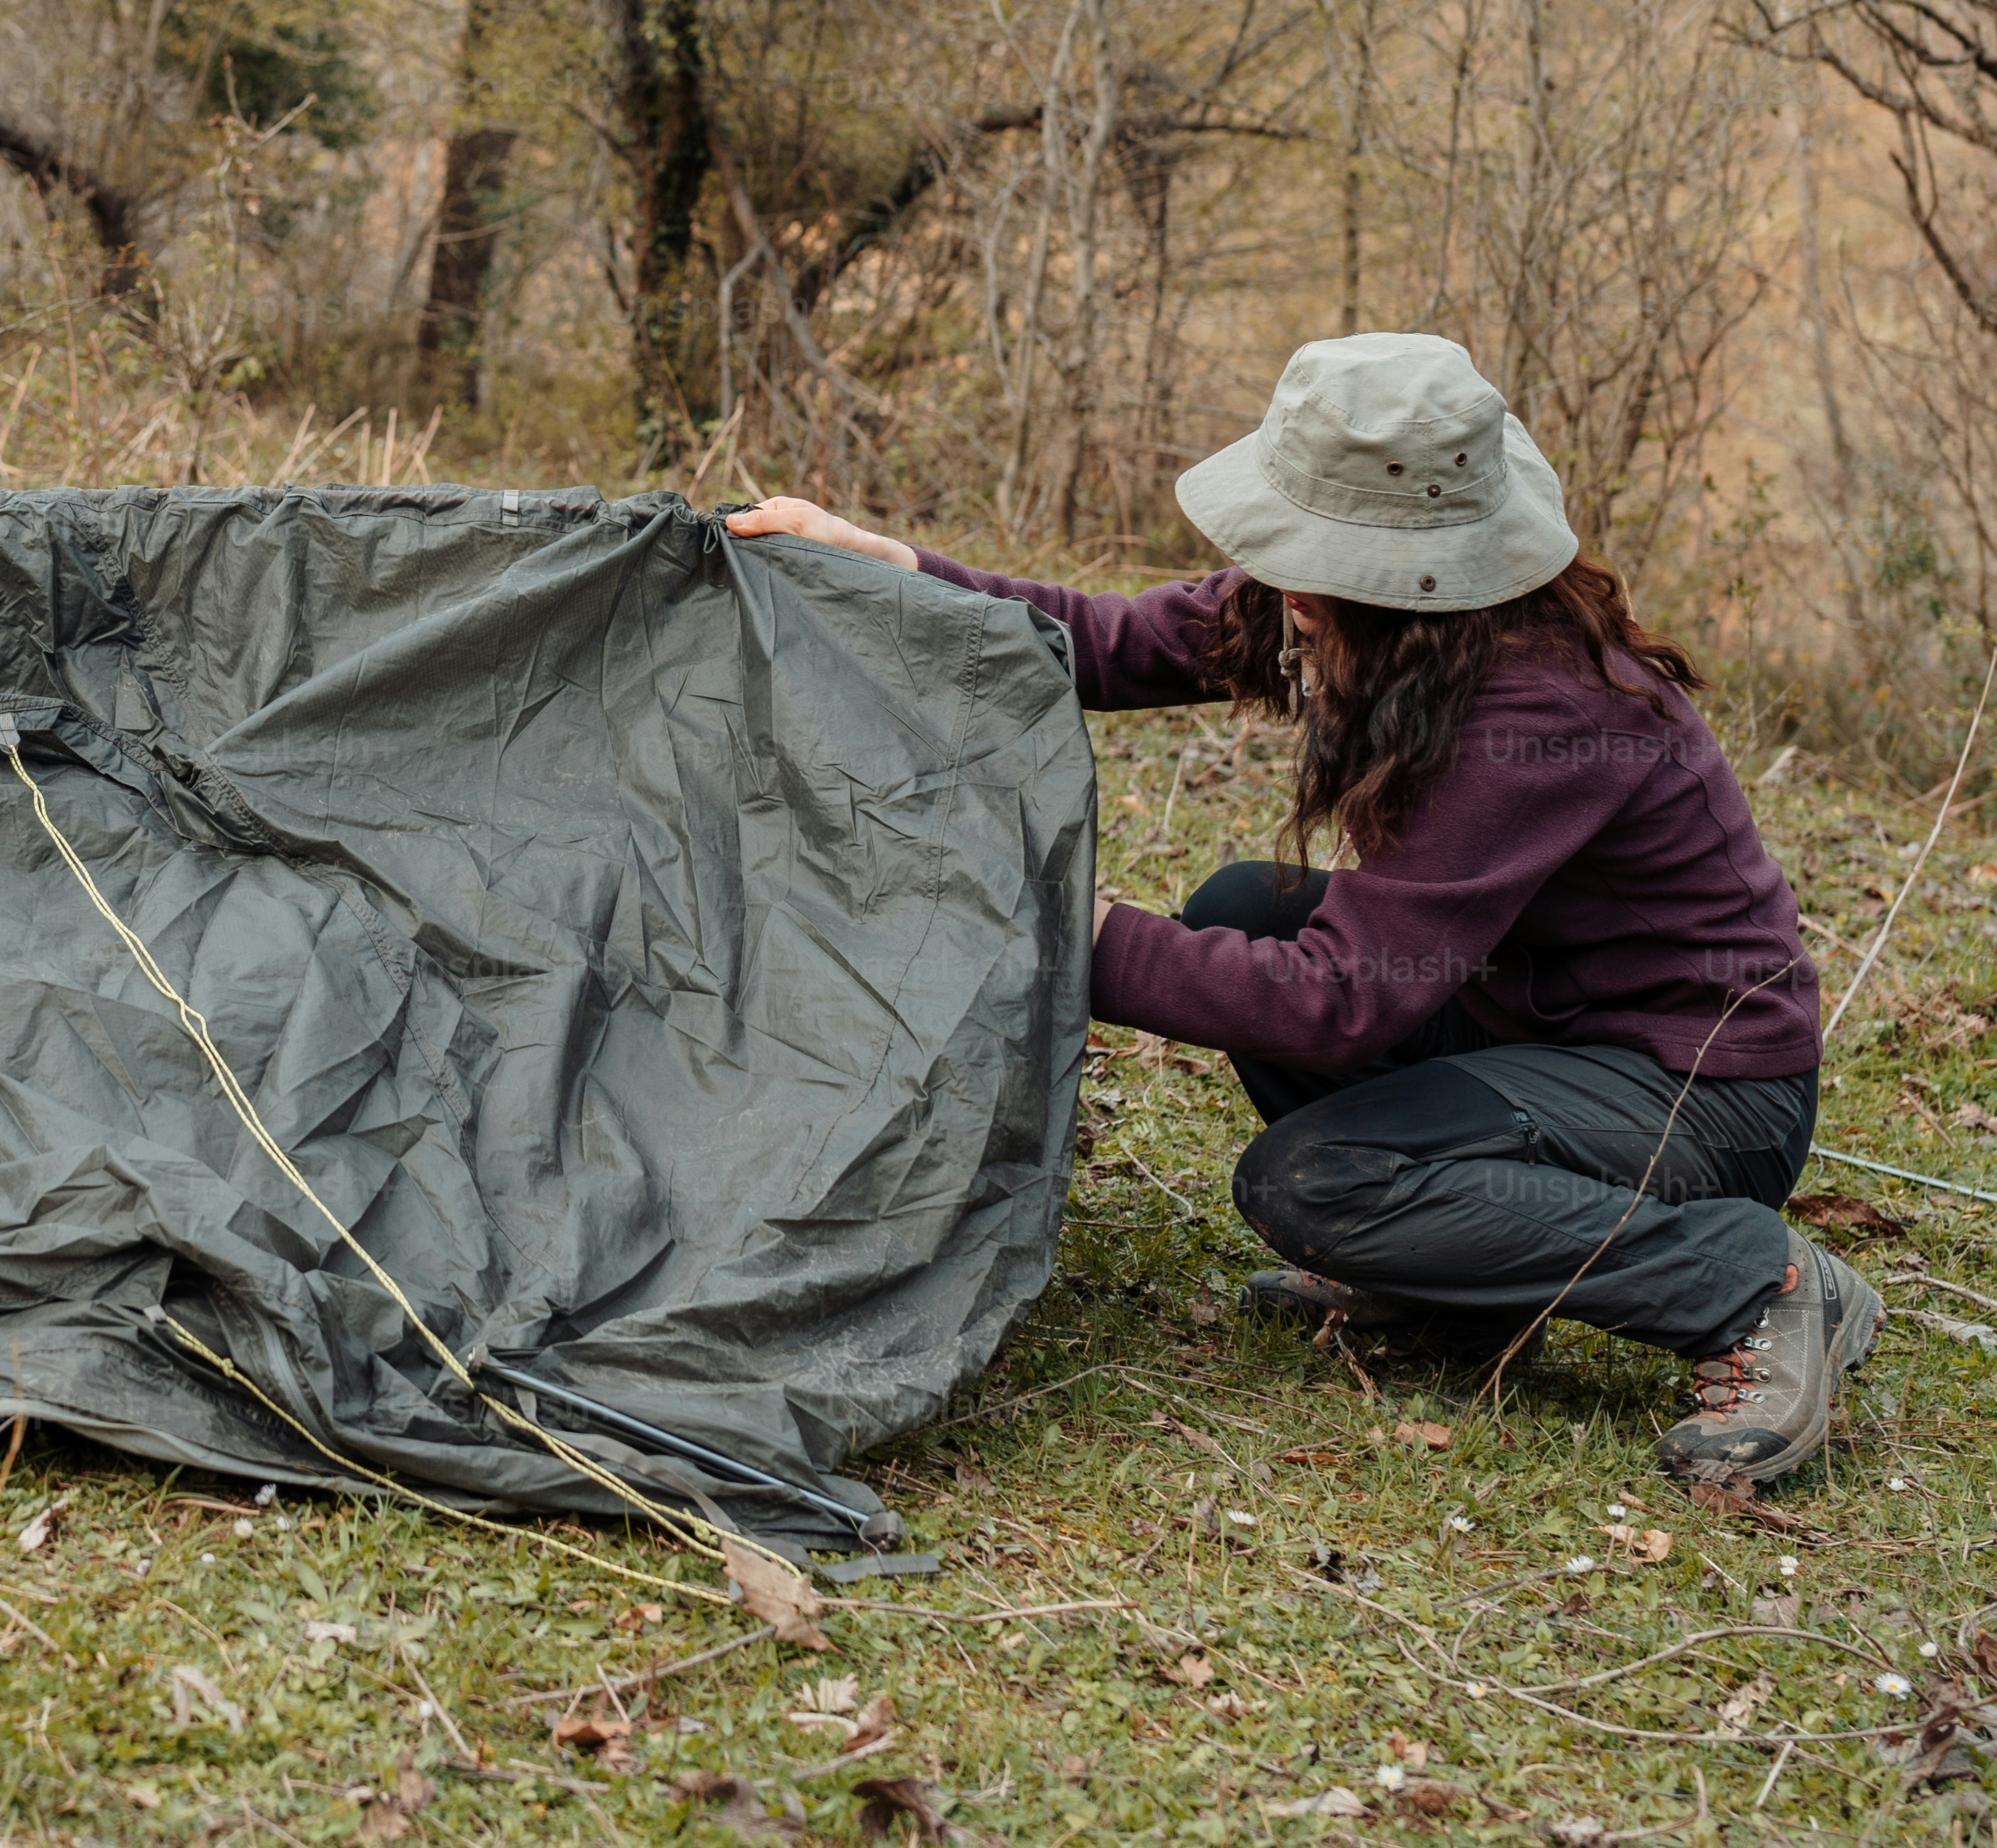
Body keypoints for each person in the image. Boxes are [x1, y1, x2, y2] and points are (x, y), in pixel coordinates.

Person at [731, 332, 1870, 1484]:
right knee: (1246, 905)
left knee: (1317, 1182)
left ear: (1389, 567)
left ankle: (1748, 1282)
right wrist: (896, 575)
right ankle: (1458, 1278)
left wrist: (1080, 933)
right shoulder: (1379, 619)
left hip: (1701, 1095)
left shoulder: (1537, 707)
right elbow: (1124, 641)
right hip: (1542, 1028)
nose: (1281, 581)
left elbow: (1342, 1006)